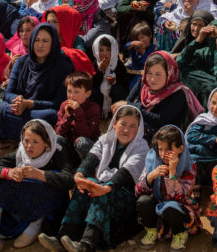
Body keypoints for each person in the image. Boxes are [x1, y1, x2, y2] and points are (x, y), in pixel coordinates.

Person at [54, 105, 148, 252]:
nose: (126, 130)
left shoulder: (141, 148)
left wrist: (106, 187)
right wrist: (79, 175)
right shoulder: (106, 139)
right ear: (114, 123)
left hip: (125, 195)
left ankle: (87, 245)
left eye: (133, 126)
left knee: (100, 192)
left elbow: (125, 173)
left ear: (139, 128)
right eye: (123, 124)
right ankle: (63, 236)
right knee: (86, 185)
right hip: (103, 186)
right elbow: (92, 158)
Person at [0, 119, 74, 250]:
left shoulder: (57, 153)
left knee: (46, 181)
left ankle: (34, 227)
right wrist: (8, 172)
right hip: (23, 206)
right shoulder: (21, 154)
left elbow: (69, 179)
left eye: (35, 141)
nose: (29, 146)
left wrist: (41, 174)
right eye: (26, 140)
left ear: (47, 143)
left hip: (48, 211)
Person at [135, 124, 200, 250]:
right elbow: (137, 190)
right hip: (158, 206)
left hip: (178, 208)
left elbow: (180, 197)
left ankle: (180, 233)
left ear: (180, 149)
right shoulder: (153, 160)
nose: (163, 154)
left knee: (170, 206)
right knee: (143, 201)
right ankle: (152, 230)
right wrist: (150, 177)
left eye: (168, 149)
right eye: (160, 149)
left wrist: (173, 172)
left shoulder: (188, 166)